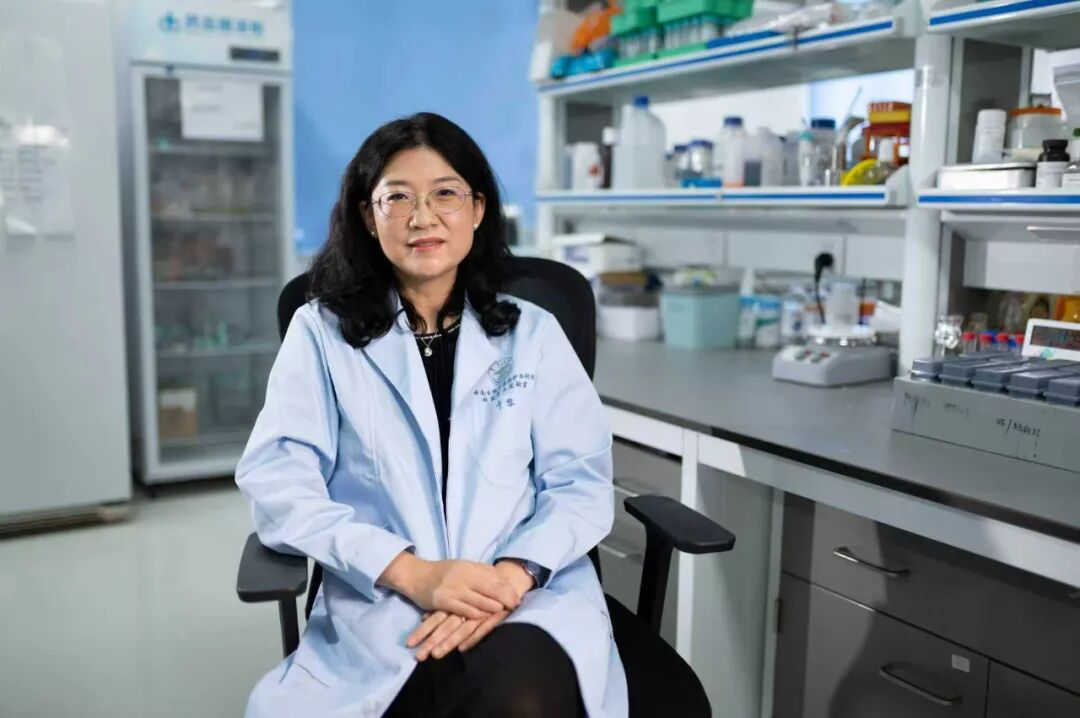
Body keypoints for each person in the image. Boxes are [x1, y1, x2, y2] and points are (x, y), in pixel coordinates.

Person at [236, 112, 628, 717]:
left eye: (445, 193)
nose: (423, 217)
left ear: (478, 209)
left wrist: (511, 577)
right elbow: (278, 482)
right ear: (369, 217)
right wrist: (412, 573)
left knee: (521, 699)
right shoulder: (320, 333)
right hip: (387, 597)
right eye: (398, 198)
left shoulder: (533, 333)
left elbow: (580, 480)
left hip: (519, 596)